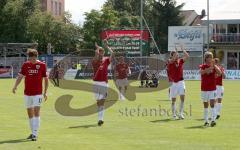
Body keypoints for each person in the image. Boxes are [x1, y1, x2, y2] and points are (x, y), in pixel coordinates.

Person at [12, 49, 48, 141]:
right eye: (30, 58)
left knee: (36, 112)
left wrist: (45, 92)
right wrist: (15, 86)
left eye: (33, 59)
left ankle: (35, 134)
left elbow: (46, 79)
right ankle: (32, 133)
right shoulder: (26, 65)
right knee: (30, 113)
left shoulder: (42, 65)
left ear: (36, 57)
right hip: (27, 93)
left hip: (38, 93)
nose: (31, 60)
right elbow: (20, 76)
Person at [92, 40, 114, 126]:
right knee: (98, 103)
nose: (101, 54)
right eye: (100, 52)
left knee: (102, 102)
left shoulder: (106, 61)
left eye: (102, 52)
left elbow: (112, 54)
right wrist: (97, 49)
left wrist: (107, 46)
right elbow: (96, 56)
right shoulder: (95, 61)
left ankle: (100, 119)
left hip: (104, 83)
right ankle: (100, 117)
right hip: (96, 84)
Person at [167, 45, 189, 120]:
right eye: (176, 54)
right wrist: (175, 53)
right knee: (173, 100)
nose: (177, 55)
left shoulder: (180, 61)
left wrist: (183, 49)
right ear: (172, 55)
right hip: (173, 83)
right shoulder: (169, 61)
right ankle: (174, 115)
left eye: (177, 54)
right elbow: (172, 60)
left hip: (181, 82)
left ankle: (181, 113)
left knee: (182, 98)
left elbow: (187, 56)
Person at [199, 52, 221, 127]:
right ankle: (206, 121)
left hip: (212, 88)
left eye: (211, 57)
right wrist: (210, 68)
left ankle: (213, 120)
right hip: (204, 88)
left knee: (212, 104)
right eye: (208, 57)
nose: (210, 59)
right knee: (205, 105)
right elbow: (202, 72)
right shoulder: (203, 66)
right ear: (205, 58)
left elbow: (220, 73)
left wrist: (214, 66)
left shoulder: (214, 66)